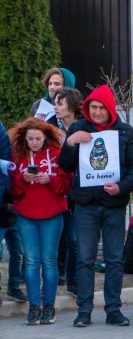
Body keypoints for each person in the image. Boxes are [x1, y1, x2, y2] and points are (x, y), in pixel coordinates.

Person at [59, 85, 133, 327]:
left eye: (101, 108)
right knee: (85, 259)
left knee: (115, 259)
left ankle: (113, 310)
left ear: (110, 109)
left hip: (114, 205)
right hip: (85, 206)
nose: (96, 112)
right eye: (93, 107)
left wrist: (122, 188)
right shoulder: (77, 128)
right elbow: (65, 166)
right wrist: (70, 143)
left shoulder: (126, 132)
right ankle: (84, 310)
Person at [9, 118, 72, 325]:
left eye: (37, 138)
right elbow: (12, 191)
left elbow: (66, 186)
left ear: (45, 137)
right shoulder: (19, 157)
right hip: (26, 216)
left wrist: (49, 179)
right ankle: (34, 307)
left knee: (49, 262)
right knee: (32, 262)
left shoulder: (56, 155)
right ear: (24, 139)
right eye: (30, 139)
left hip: (52, 216)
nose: (34, 142)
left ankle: (49, 306)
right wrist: (23, 179)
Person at [52, 87, 83, 296]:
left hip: (77, 192)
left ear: (71, 106)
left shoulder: (83, 128)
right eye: (55, 103)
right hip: (56, 190)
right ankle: (55, 277)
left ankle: (73, 280)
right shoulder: (51, 130)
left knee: (74, 238)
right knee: (55, 238)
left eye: (60, 103)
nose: (55, 107)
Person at [0, 120, 27, 305]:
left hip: (10, 205)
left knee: (17, 251)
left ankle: (14, 287)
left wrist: (10, 198)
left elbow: (6, 164)